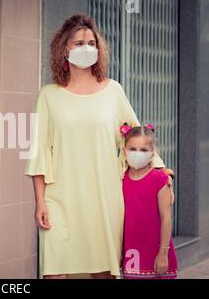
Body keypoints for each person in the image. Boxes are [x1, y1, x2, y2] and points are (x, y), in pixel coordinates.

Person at [23, 14, 173, 279]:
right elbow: (39, 152)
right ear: (64, 49)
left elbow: (138, 137)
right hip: (60, 199)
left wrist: (161, 175)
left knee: (103, 273)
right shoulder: (48, 96)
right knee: (54, 272)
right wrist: (39, 202)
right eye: (78, 43)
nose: (86, 48)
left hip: (105, 196)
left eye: (91, 42)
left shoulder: (113, 90)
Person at [120, 123, 178, 279]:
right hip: (133, 254)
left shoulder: (159, 180)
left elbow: (166, 218)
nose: (137, 153)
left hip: (157, 253)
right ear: (125, 151)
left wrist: (163, 254)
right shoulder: (121, 179)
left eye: (144, 150)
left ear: (152, 154)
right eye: (132, 149)